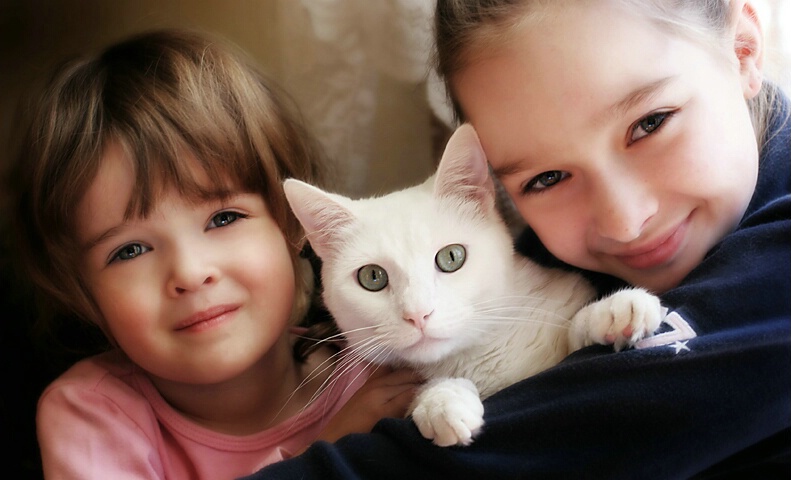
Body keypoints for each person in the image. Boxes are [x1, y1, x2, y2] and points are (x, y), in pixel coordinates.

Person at [243, 0, 790, 478]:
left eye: (651, 123)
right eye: (545, 179)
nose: (625, 222)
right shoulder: (534, 258)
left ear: (743, 48)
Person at [3, 29, 420, 479]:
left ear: (293, 222)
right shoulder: (93, 415)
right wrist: (326, 453)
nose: (190, 271)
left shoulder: (384, 363)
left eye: (223, 219)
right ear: (80, 291)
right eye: (130, 250)